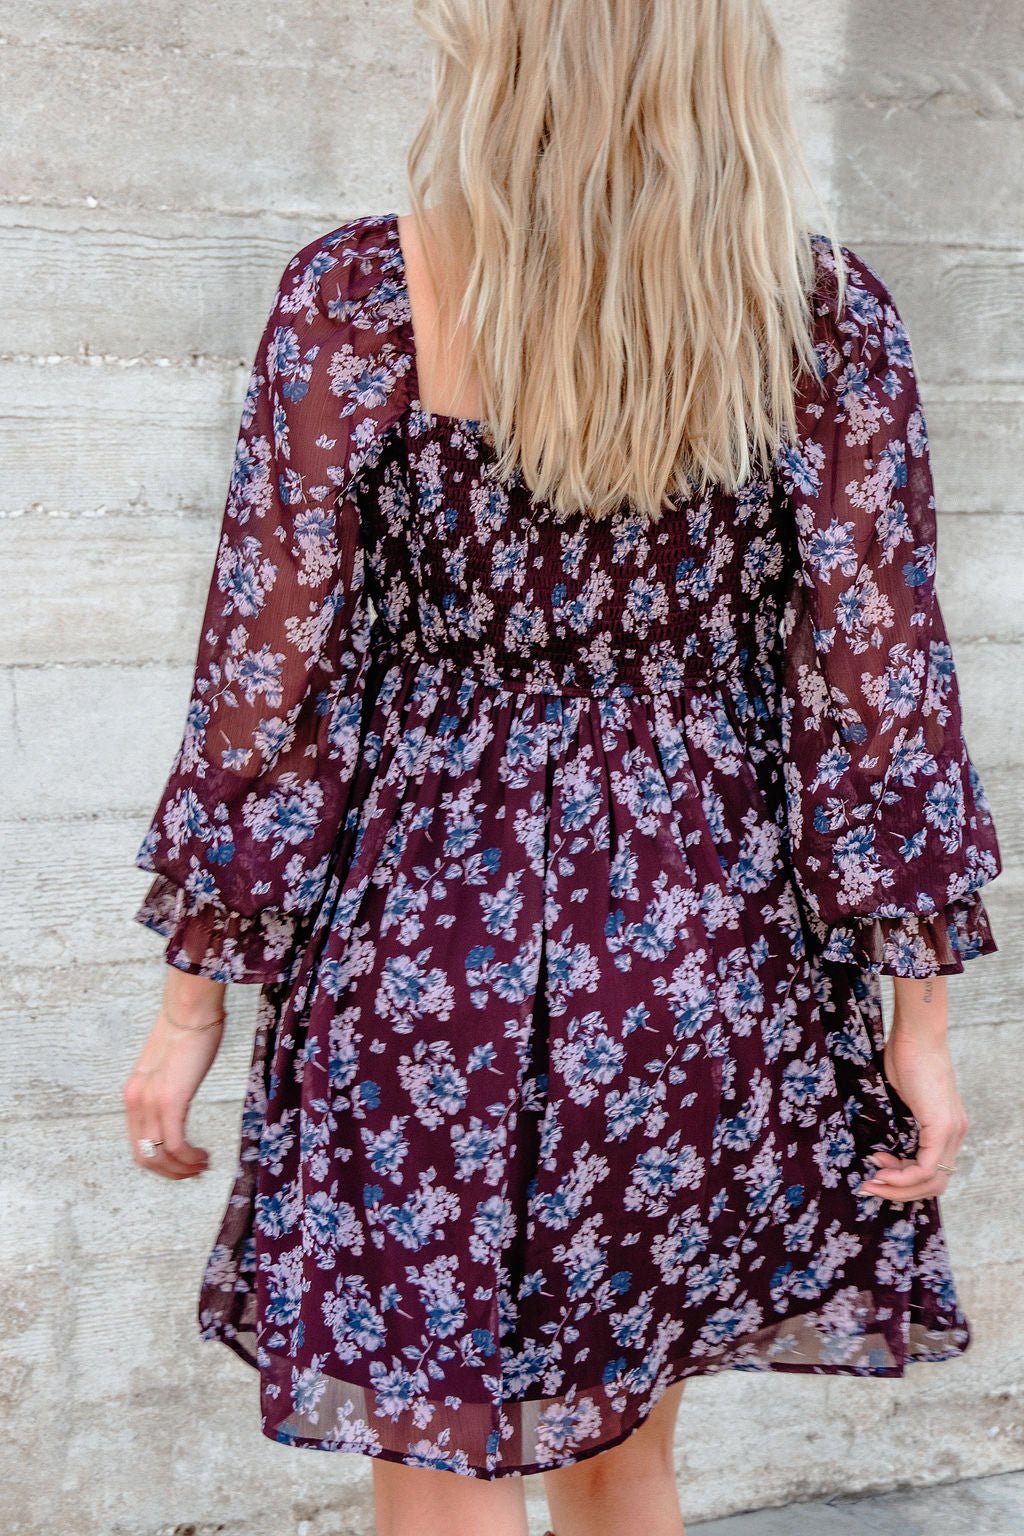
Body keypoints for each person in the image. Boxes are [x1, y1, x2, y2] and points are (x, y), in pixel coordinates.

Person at [122, 3, 1002, 1534]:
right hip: (692, 955)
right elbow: (881, 704)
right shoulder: (818, 320)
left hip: (418, 951)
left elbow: (271, 689)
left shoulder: (355, 296)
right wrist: (917, 1021)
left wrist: (193, 996)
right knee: (625, 1459)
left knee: (440, 1457)